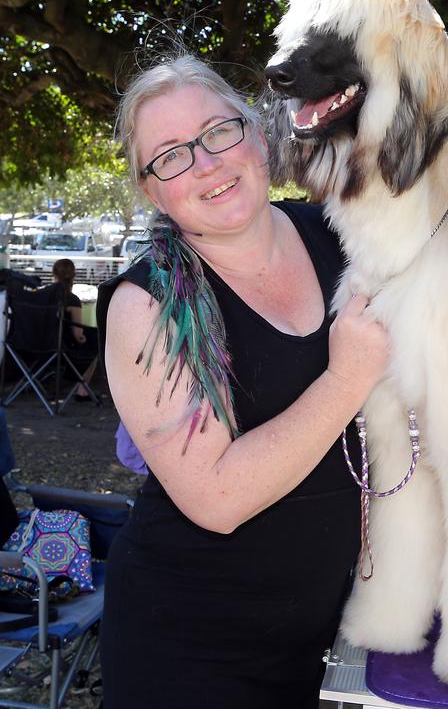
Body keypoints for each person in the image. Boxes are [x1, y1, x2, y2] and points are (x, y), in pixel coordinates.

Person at [96, 52, 389, 709]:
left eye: (218, 132)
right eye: (170, 155)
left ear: (258, 132)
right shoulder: (147, 307)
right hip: (187, 652)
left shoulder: (343, 236)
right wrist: (348, 379)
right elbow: (217, 498)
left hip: (315, 633)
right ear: (151, 189)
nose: (206, 164)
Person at [50, 258, 98, 401]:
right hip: (62, 348)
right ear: (73, 275)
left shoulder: (43, 295)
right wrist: (84, 337)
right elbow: (78, 333)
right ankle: (82, 391)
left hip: (37, 345)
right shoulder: (71, 299)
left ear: (54, 274)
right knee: (95, 343)